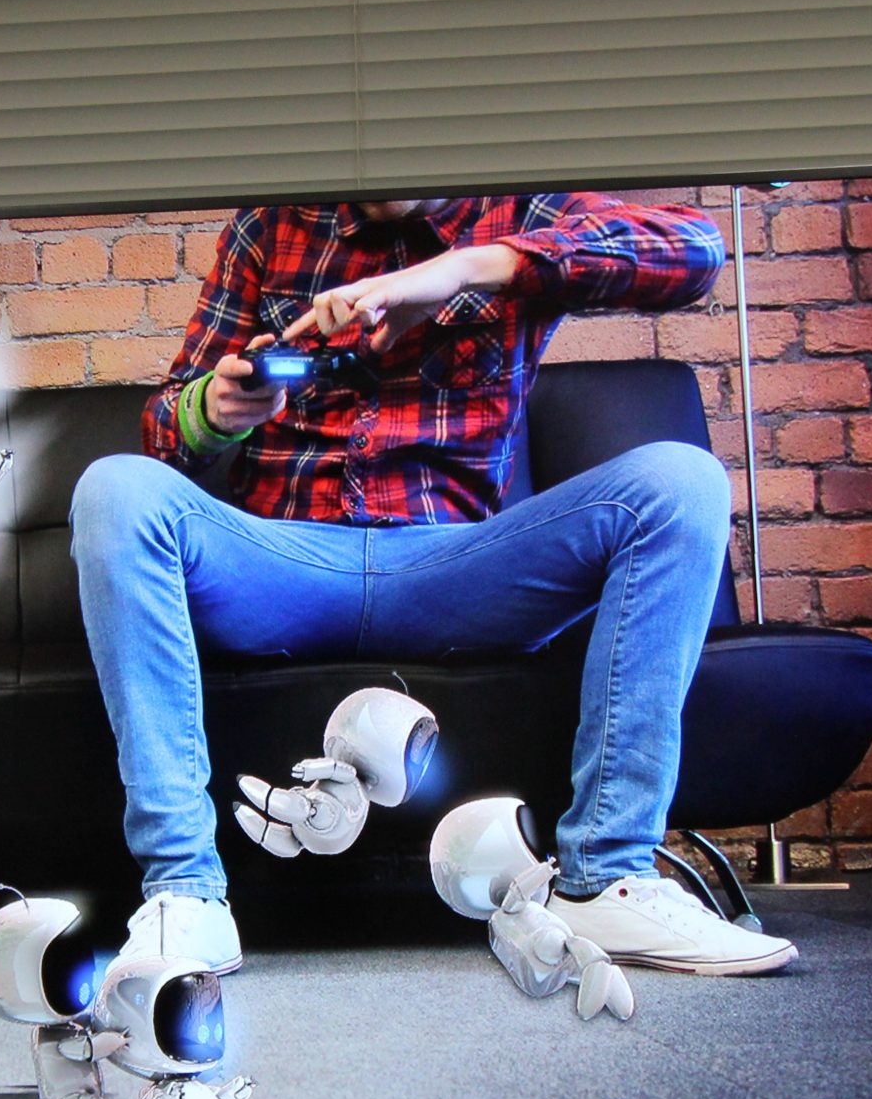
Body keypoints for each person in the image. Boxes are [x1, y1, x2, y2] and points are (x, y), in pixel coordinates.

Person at [70, 193, 795, 977]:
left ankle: (605, 878)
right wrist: (214, 407)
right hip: (283, 562)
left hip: (455, 565)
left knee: (682, 481)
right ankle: (185, 894)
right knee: (115, 488)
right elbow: (164, 432)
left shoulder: (517, 210)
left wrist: (460, 272)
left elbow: (693, 251)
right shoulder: (271, 225)